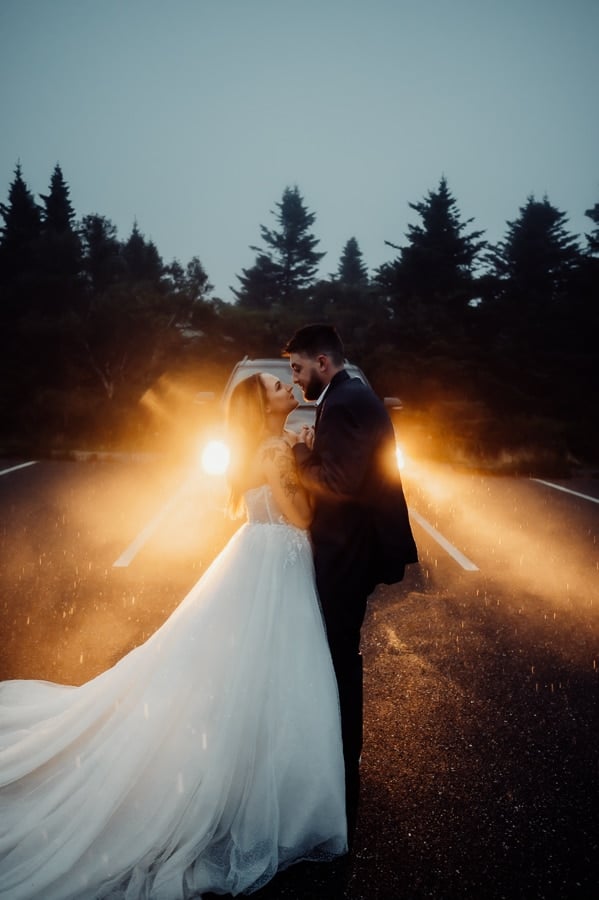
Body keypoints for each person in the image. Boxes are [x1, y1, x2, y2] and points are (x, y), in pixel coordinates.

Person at [0, 373, 347, 900]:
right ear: (266, 407)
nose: (286, 389)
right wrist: (304, 462)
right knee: (278, 668)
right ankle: (269, 787)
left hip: (254, 554)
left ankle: (249, 771)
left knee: (241, 666)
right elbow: (300, 515)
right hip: (279, 559)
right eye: (278, 388)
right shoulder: (276, 450)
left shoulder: (253, 448)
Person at [284, 324, 418, 841]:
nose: (295, 382)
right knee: (338, 654)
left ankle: (341, 764)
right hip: (350, 551)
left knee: (338, 657)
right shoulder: (348, 396)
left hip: (345, 555)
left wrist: (300, 455)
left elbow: (339, 485)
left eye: (297, 369)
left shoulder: (343, 402)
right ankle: (339, 757)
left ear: (322, 361)